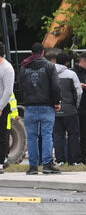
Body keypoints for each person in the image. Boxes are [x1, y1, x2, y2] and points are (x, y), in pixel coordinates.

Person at [19, 43, 61, 175]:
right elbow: (55, 86)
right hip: (46, 106)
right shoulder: (49, 66)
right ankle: (47, 164)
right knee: (47, 135)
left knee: (32, 137)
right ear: (43, 53)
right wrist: (56, 102)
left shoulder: (24, 66)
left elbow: (21, 85)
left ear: (31, 53)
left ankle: (33, 166)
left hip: (30, 106)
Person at [52, 51, 83, 165]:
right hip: (70, 109)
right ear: (67, 62)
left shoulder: (51, 74)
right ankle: (74, 160)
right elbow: (79, 92)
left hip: (55, 109)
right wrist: (76, 105)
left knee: (58, 135)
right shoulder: (71, 74)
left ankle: (60, 160)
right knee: (73, 134)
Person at [0, 42, 14, 172]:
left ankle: (1, 161)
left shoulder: (7, 69)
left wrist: (0, 107)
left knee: (2, 134)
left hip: (2, 107)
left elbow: (8, 91)